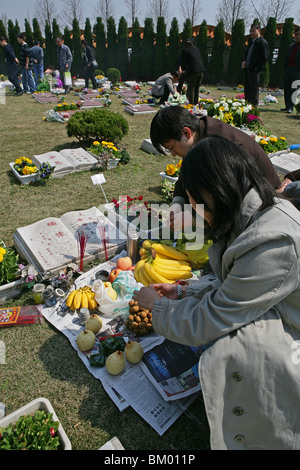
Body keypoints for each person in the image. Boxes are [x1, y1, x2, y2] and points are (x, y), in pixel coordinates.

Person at [133, 135, 300, 450]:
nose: (194, 211)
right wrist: (184, 292)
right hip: (276, 307)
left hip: (292, 333)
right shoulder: (248, 214)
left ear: (215, 190)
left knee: (242, 350)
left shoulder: (273, 240)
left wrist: (158, 309)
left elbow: (214, 317)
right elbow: (235, 283)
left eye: (195, 201)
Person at [150, 105, 282, 210]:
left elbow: (233, 197)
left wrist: (196, 220)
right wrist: (177, 204)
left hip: (265, 202)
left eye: (172, 148)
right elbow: (185, 174)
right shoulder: (196, 137)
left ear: (186, 132)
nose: (173, 154)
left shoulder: (222, 145)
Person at [242, 24, 269, 106]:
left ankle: (254, 107)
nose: (251, 33)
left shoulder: (262, 42)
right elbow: (247, 54)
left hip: (255, 70)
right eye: (250, 31)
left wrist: (257, 68)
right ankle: (247, 105)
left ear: (259, 30)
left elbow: (264, 57)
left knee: (254, 90)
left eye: (253, 31)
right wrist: (244, 61)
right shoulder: (251, 42)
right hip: (248, 69)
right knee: (247, 89)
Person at [178, 39, 205, 106]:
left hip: (194, 70)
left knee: (191, 88)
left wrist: (181, 69)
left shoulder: (185, 50)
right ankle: (196, 103)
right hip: (201, 70)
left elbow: (182, 60)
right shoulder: (197, 49)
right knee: (196, 87)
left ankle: (191, 104)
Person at [281, 26, 300, 114]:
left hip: (297, 70)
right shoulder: (291, 47)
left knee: (294, 89)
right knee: (287, 88)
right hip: (289, 69)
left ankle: (291, 107)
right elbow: (286, 59)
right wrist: (286, 69)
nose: (298, 36)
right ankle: (287, 106)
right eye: (296, 34)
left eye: (299, 34)